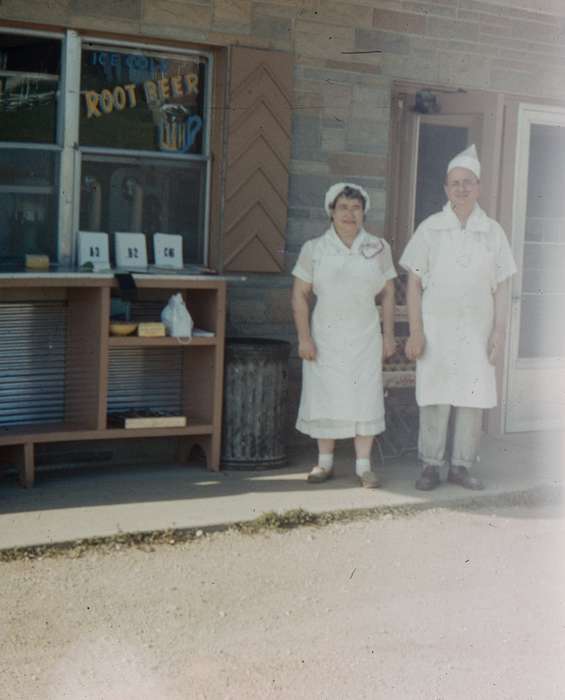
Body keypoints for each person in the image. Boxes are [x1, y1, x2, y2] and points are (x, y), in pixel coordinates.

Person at [400, 145, 517, 491]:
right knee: (435, 394)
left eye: (468, 182)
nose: (461, 189)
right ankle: (430, 465)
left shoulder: (493, 231)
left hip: (477, 329)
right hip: (437, 329)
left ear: (478, 187)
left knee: (472, 396)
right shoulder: (431, 228)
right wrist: (416, 331)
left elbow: (503, 287)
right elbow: (414, 283)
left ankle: (461, 466)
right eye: (454, 183)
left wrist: (498, 332)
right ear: (445, 189)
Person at [291, 182, 396, 488]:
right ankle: (324, 464)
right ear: (331, 212)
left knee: (365, 397)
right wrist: (304, 338)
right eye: (343, 207)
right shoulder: (314, 249)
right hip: (325, 337)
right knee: (325, 397)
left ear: (364, 212)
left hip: (365, 336)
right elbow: (299, 295)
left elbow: (388, 293)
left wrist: (388, 335)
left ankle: (364, 467)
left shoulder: (379, 247)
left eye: (356, 208)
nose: (350, 214)